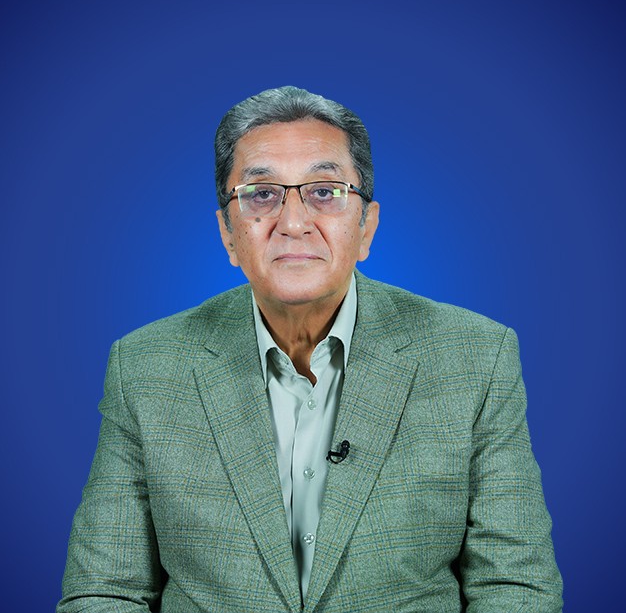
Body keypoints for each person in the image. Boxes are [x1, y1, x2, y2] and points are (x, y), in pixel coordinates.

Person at [58, 86, 563, 612]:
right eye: (261, 194)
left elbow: (515, 587)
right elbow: (104, 591)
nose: (294, 222)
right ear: (227, 233)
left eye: (324, 191)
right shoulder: (144, 367)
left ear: (366, 226)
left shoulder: (476, 357)